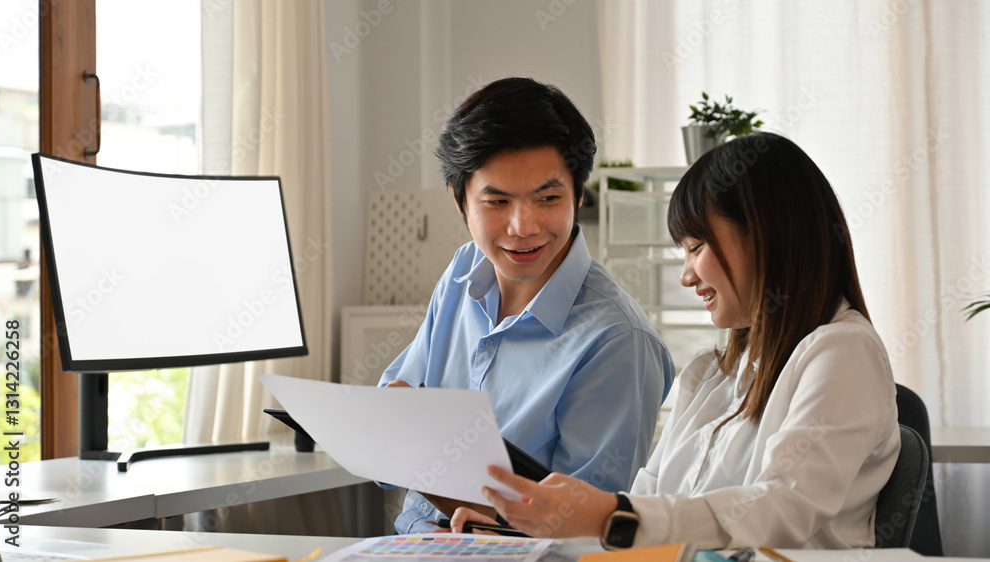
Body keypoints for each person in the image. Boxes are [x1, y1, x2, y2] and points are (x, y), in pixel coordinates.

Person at [449, 132, 901, 550]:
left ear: (766, 234)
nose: (687, 275)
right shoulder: (710, 373)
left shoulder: (842, 353)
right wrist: (520, 532)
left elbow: (780, 511)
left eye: (696, 247)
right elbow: (645, 507)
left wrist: (609, 513)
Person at [378, 77, 675, 534]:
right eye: (497, 201)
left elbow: (587, 534)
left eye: (548, 199)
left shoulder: (618, 340)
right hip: (410, 544)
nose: (523, 227)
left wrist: (439, 476)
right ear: (460, 199)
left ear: (578, 194)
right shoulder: (462, 272)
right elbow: (389, 419)